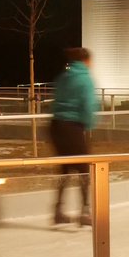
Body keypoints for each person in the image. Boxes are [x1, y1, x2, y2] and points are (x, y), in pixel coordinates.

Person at [50, 47, 98, 226]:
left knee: (64, 168)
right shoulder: (85, 78)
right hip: (73, 127)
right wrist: (89, 124)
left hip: (56, 126)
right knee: (84, 169)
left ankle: (58, 210)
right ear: (86, 61)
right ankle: (85, 211)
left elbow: (56, 101)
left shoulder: (63, 76)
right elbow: (88, 105)